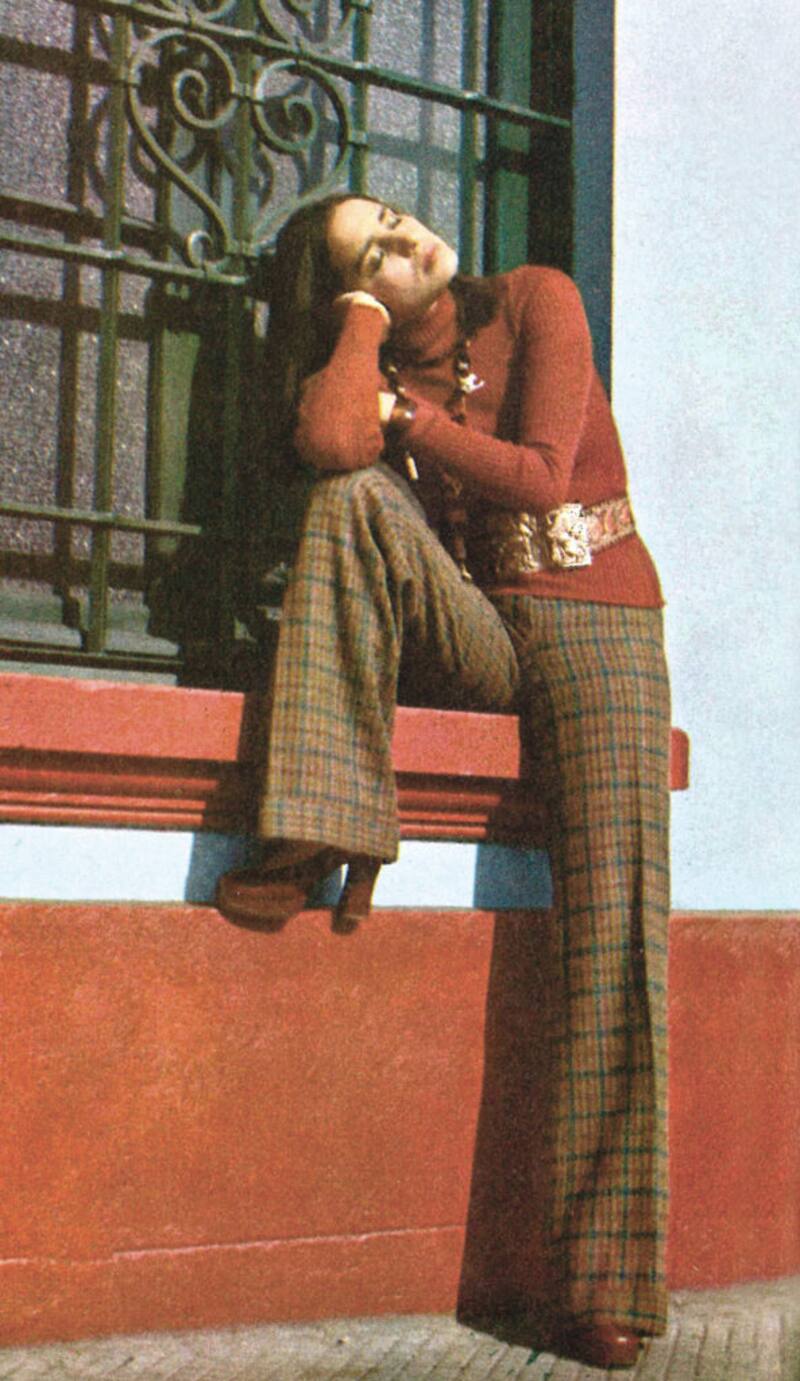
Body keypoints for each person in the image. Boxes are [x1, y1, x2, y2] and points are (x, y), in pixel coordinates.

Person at [216, 191, 672, 1369]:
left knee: (612, 918)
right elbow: (333, 449)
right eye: (373, 252)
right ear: (348, 298)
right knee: (349, 498)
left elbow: (541, 474)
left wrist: (404, 411)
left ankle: (603, 1284)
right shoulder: (372, 363)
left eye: (396, 218)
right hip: (481, 626)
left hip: (596, 620)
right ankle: (318, 823)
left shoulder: (534, 298)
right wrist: (363, 330)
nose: (409, 237)